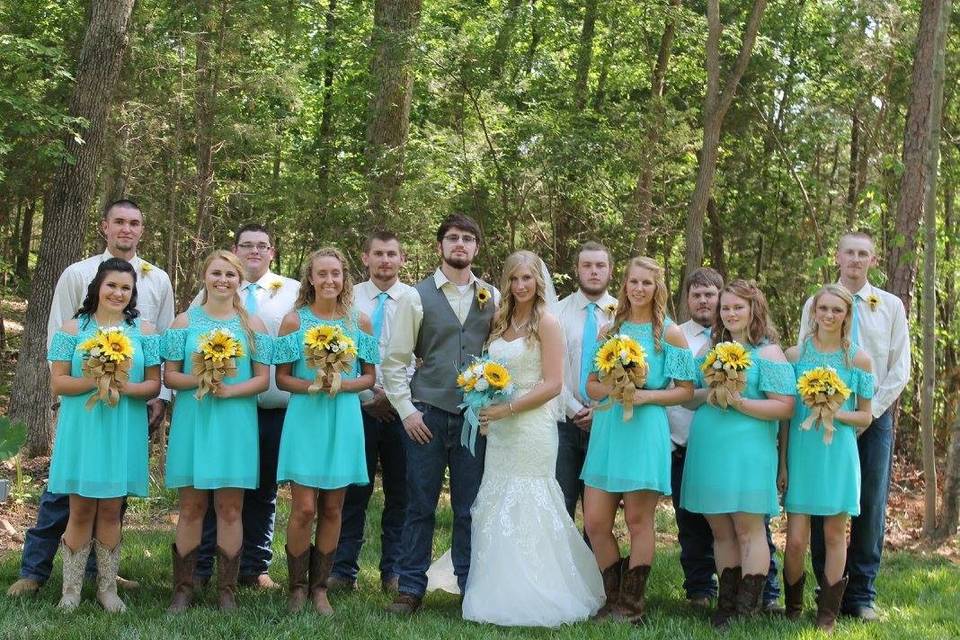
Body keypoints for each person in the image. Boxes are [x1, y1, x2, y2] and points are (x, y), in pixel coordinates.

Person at [8, 199, 174, 598]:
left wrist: (160, 397)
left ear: (141, 229)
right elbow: (60, 337)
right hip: (81, 409)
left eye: (134, 223)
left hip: (126, 411)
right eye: (119, 221)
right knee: (66, 496)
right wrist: (76, 382)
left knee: (112, 502)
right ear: (105, 226)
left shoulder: (158, 280)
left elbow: (163, 343)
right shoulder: (76, 273)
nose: (126, 229)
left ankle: (104, 580)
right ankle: (37, 571)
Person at [461, 250, 604, 626]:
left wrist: (509, 410)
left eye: (527, 278)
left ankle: (541, 590)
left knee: (530, 498)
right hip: (501, 427)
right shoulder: (498, 320)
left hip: (533, 425)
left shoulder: (548, 323)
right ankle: (497, 590)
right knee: (497, 497)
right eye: (514, 279)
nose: (520, 286)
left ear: (539, 281)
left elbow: (554, 384)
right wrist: (485, 405)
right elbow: (492, 372)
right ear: (506, 282)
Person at [382, 214, 497, 615]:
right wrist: (407, 412)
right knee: (419, 503)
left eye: (468, 238)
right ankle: (410, 587)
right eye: (453, 238)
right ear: (440, 246)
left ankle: (470, 586)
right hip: (426, 414)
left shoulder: (493, 296)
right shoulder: (415, 297)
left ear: (476, 248)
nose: (460, 245)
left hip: (473, 417)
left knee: (469, 506)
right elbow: (395, 361)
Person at [798, 231, 910, 621]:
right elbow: (803, 354)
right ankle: (824, 588)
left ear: (873, 260)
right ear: (837, 256)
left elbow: (900, 368)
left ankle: (861, 594)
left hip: (872, 419)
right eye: (849, 252)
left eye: (863, 254)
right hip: (819, 419)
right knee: (820, 501)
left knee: (870, 506)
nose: (856, 259)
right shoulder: (816, 302)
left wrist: (871, 412)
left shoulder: (890, 306)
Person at [582, 257, 695, 622]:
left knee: (637, 519)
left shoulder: (671, 334)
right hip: (608, 427)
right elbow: (590, 385)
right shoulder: (608, 331)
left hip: (646, 428)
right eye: (633, 281)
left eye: (647, 283)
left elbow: (685, 391)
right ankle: (611, 596)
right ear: (625, 285)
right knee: (596, 521)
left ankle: (631, 604)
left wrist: (646, 395)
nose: (639, 288)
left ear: (657, 288)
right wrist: (613, 389)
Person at [45, 259, 161, 612]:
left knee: (111, 510)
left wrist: (123, 386)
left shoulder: (145, 331)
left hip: (123, 426)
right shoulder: (72, 328)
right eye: (112, 285)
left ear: (133, 293)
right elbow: (59, 383)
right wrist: (96, 380)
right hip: (83, 428)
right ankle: (71, 590)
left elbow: (154, 384)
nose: (118, 293)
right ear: (97, 286)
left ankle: (107, 589)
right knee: (79, 510)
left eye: (126, 288)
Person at [666, 268, 783, 611]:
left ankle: (748, 606)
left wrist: (739, 401)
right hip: (709, 447)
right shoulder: (711, 351)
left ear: (753, 310)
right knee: (720, 529)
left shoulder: (769, 353)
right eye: (726, 308)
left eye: (737, 307)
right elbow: (688, 397)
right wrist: (711, 392)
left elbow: (784, 407)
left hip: (748, 449)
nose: (730, 313)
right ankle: (727, 603)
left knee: (748, 527)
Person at [162, 250, 272, 612]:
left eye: (230, 274)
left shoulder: (253, 326)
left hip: (235, 421)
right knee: (191, 506)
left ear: (240, 280)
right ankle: (184, 587)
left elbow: (261, 380)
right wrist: (203, 379)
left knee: (229, 508)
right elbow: (170, 376)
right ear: (204, 276)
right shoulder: (183, 322)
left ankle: (227, 590)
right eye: (216, 273)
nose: (223, 280)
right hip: (195, 418)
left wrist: (229, 390)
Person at [193, 224, 300, 589]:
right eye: (246, 245)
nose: (254, 251)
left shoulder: (292, 291)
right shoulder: (210, 290)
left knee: (263, 491)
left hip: (273, 406)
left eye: (262, 246)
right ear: (234, 249)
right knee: (214, 488)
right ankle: (203, 566)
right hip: (224, 411)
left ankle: (255, 566)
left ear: (272, 252)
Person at [273, 247, 378, 614]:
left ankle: (320, 588)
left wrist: (342, 385)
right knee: (303, 509)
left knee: (333, 508)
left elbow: (369, 375)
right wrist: (314, 385)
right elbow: (282, 379)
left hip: (344, 419)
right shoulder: (293, 321)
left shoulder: (359, 322)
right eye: (322, 274)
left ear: (344, 277)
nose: (329, 280)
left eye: (336, 273)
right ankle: (296, 587)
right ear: (311, 279)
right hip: (306, 418)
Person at [781, 284, 874, 632]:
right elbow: (788, 415)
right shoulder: (794, 356)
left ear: (847, 315)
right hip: (802, 452)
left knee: (835, 534)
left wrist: (835, 414)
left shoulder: (859, 360)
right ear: (814, 312)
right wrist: (783, 464)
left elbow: (865, 416)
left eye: (837, 310)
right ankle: (792, 608)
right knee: (795, 540)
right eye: (824, 309)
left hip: (838, 454)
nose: (829, 316)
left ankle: (827, 615)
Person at [329, 231, 410, 593]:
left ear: (402, 259)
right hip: (357, 407)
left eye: (392, 254)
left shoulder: (415, 298)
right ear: (365, 258)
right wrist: (367, 395)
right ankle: (342, 570)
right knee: (352, 491)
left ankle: (394, 571)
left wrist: (393, 397)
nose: (385, 260)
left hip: (403, 409)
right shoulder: (348, 298)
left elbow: (422, 355)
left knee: (401, 493)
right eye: (378, 253)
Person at [555, 241, 617, 523]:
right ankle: (562, 567)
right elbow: (550, 369)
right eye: (587, 265)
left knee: (599, 514)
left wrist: (601, 410)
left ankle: (596, 568)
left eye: (600, 265)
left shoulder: (624, 314)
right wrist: (574, 410)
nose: (594, 272)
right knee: (562, 502)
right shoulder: (557, 313)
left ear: (610, 271)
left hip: (609, 421)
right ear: (577, 270)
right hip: (564, 421)